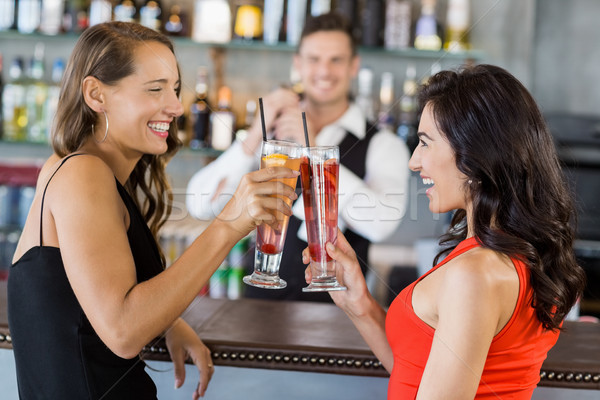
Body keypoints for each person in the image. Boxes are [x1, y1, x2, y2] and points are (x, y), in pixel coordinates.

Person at [7, 22, 298, 399]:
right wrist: (228, 224)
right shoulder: (83, 172)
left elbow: (84, 302)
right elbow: (123, 333)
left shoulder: (69, 167)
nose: (176, 107)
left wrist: (166, 321)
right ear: (96, 94)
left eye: (175, 89)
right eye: (155, 89)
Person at [309, 64, 587, 398]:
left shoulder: (475, 273)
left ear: (475, 154)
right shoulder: (505, 254)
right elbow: (418, 371)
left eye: (425, 143)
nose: (414, 161)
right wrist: (361, 306)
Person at [186, 12, 410, 301]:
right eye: (314, 59)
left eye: (336, 60)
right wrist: (256, 134)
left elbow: (381, 225)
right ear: (298, 64)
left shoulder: (383, 143)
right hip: (258, 305)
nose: (324, 71)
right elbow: (201, 204)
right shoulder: (274, 136)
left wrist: (313, 150)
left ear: (354, 66)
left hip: (337, 311)